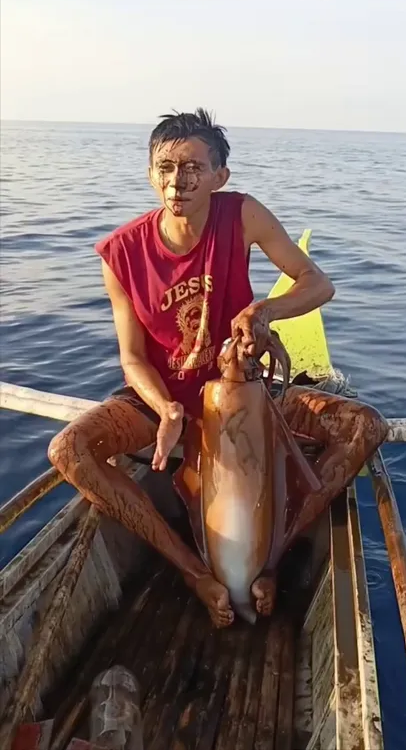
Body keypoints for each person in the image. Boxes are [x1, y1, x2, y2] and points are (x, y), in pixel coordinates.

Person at [48, 108, 388, 628]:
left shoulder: (242, 214)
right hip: (165, 397)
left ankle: (272, 557)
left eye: (192, 168)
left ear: (219, 177)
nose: (177, 181)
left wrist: (265, 310)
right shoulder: (121, 251)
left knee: (365, 425)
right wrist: (164, 408)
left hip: (243, 393)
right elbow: (133, 357)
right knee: (68, 451)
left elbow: (317, 283)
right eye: (165, 167)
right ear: (149, 174)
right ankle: (191, 569)